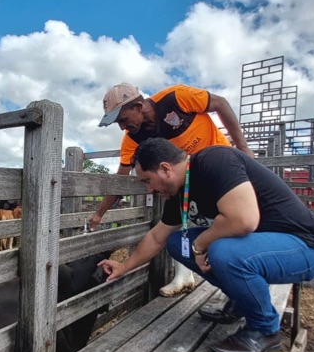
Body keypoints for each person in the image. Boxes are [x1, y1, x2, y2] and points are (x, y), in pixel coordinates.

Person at [98, 138, 314, 352]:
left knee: (223, 252)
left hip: (302, 246)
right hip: (260, 246)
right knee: (177, 243)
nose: (149, 189)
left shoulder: (214, 160)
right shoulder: (181, 192)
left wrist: (200, 245)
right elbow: (157, 237)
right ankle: (241, 300)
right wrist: (124, 266)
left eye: (147, 180)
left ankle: (264, 330)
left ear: (165, 169)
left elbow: (244, 220)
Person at [91, 83, 253, 296]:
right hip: (183, 180)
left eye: (122, 119)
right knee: (177, 229)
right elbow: (121, 177)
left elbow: (220, 103)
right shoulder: (133, 137)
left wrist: (242, 147)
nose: (122, 127)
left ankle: (242, 290)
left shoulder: (177, 98)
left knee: (229, 229)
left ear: (138, 106)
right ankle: (189, 276)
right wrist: (99, 213)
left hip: (219, 168)